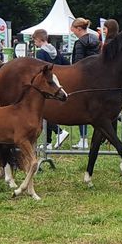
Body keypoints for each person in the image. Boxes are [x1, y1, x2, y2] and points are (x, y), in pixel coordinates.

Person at [33, 29, 69, 149]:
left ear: (38, 39)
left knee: (44, 113)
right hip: (57, 83)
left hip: (46, 85)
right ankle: (47, 142)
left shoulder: (40, 53)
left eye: (34, 40)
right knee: (47, 112)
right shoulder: (55, 50)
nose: (34, 43)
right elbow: (66, 63)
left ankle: (59, 132)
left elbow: (40, 69)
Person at [70, 17, 101, 149]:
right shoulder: (96, 40)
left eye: (73, 29)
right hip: (96, 78)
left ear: (78, 29)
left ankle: (83, 139)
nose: (73, 32)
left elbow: (78, 63)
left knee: (80, 108)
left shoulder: (79, 43)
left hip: (83, 80)